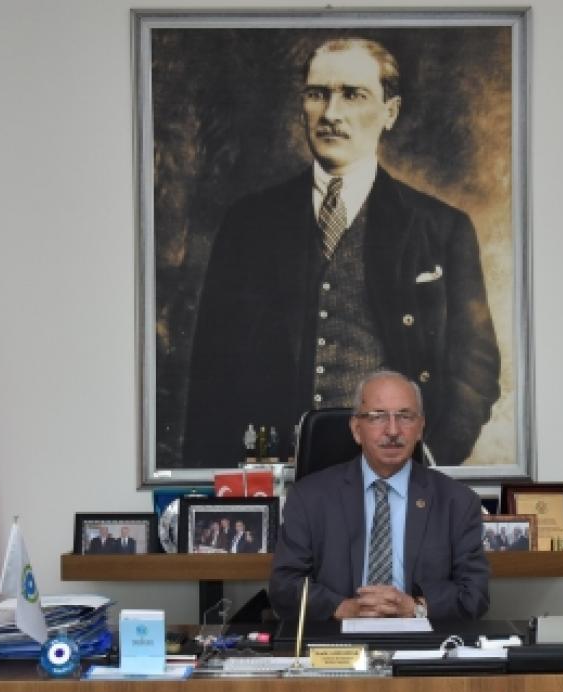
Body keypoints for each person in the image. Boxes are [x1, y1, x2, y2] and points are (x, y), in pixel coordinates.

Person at [184, 37, 501, 469]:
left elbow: (474, 368)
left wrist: (428, 457)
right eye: (317, 94)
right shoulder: (248, 223)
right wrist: (216, 486)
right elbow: (210, 375)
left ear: (390, 112)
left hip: (395, 474)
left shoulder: (442, 228)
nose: (331, 113)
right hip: (278, 476)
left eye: (353, 95)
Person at [269, 370, 490, 620]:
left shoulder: (457, 502)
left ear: (420, 428)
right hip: (337, 637)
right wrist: (344, 608)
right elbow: (284, 586)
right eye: (378, 417)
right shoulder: (308, 497)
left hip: (421, 638)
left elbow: (475, 595)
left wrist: (414, 608)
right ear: (356, 429)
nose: (393, 430)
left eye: (405, 416)